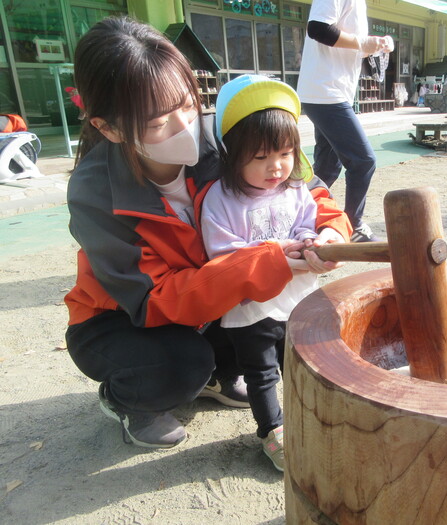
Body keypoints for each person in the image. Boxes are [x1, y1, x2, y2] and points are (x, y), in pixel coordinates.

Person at [63, 17, 351, 449]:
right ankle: (127, 398)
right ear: (109, 128)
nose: (184, 127)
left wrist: (330, 233)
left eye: (187, 104)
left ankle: (219, 375)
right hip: (121, 318)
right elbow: (153, 300)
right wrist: (265, 262)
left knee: (266, 327)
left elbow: (308, 190)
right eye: (157, 123)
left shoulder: (225, 133)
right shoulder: (95, 194)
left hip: (209, 296)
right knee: (181, 365)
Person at [200, 75, 334, 471]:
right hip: (251, 307)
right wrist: (276, 253)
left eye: (286, 153)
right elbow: (223, 253)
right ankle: (272, 431)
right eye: (260, 157)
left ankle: (304, 417)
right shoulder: (221, 199)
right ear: (232, 153)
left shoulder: (296, 189)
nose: (276, 166)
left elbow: (307, 222)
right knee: (260, 374)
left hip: (296, 299)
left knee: (298, 363)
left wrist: (311, 239)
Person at [297, 0, 393, 242]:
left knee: (328, 167)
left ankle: (297, 215)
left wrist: (375, 45)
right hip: (325, 92)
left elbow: (346, 46)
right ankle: (352, 226)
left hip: (329, 92)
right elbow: (318, 28)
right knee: (363, 161)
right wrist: (362, 42)